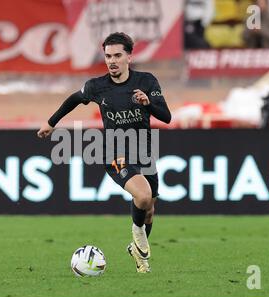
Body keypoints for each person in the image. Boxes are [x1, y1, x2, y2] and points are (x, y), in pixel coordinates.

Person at [37, 32, 171, 273]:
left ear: (129, 57)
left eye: (118, 55)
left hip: (144, 151)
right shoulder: (96, 87)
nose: (112, 60)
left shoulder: (147, 81)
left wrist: (148, 103)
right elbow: (74, 99)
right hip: (114, 152)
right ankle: (138, 235)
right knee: (142, 196)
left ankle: (138, 251)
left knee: (149, 209)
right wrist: (51, 122)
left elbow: (167, 116)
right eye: (108, 56)